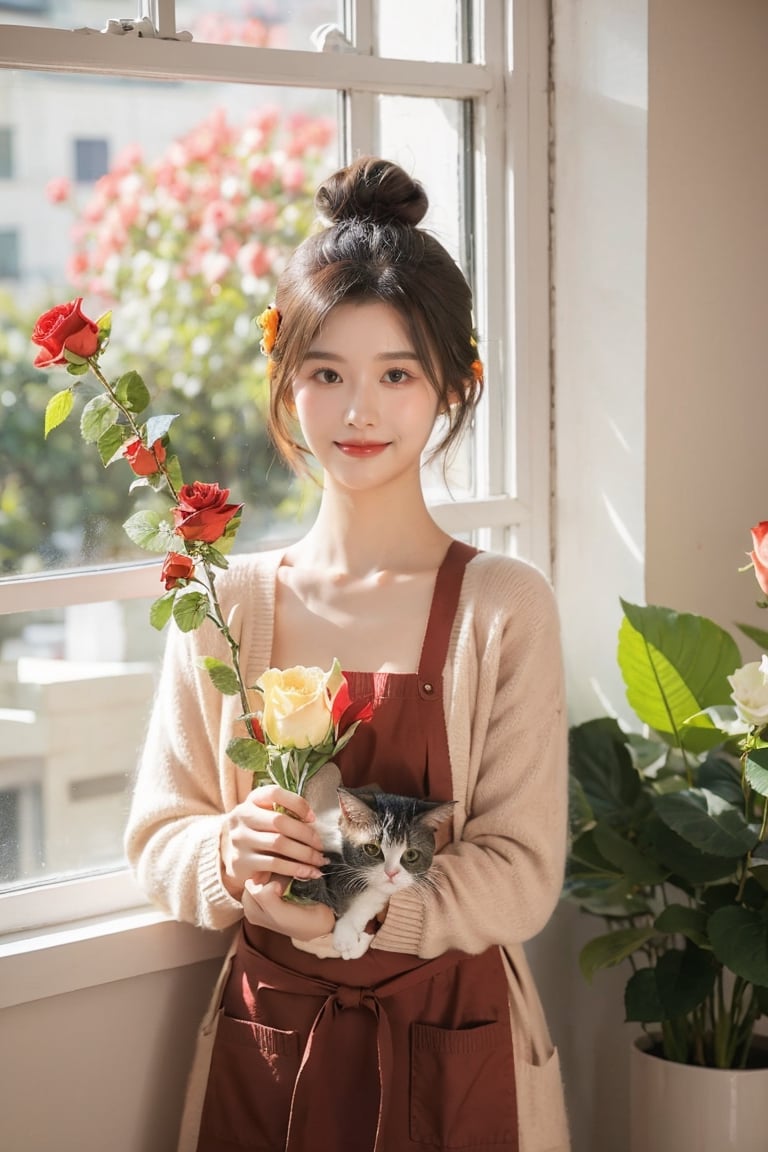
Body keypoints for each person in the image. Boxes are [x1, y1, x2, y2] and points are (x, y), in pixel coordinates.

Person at [125, 156, 570, 1152]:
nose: (359, 411)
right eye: (327, 374)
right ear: (285, 386)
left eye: (396, 374)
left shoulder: (503, 609)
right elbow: (162, 838)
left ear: (457, 385)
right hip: (271, 1042)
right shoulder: (225, 605)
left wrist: (348, 917)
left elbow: (523, 871)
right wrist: (229, 858)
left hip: (457, 1042)